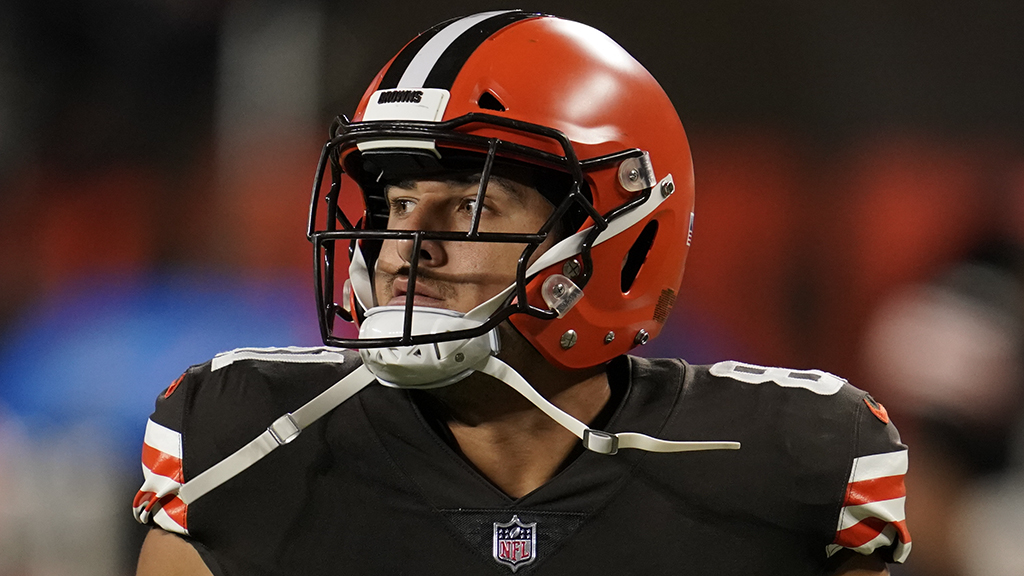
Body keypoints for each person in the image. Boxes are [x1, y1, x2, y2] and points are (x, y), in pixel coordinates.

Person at [133, 11, 910, 575]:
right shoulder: (242, 440)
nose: (407, 245)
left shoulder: (791, 460)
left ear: (619, 240)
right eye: (396, 204)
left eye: (472, 206)